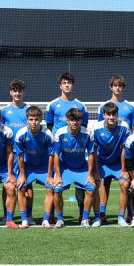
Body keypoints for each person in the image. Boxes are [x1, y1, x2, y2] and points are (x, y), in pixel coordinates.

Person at [45, 72, 89, 216]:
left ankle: (82, 212)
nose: (67, 85)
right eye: (64, 83)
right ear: (60, 85)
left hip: (75, 148)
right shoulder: (52, 104)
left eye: (69, 83)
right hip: (59, 147)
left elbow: (85, 126)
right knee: (55, 182)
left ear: (73, 85)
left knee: (81, 186)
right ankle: (52, 214)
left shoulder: (80, 105)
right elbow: (50, 125)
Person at [52, 108, 98, 228]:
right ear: (67, 120)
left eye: (77, 119)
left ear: (81, 120)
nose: (75, 122)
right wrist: (57, 175)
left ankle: (85, 218)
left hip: (81, 168)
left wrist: (90, 174)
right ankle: (60, 219)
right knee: (56, 189)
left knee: (91, 187)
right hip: (65, 168)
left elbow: (92, 154)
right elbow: (56, 155)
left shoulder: (88, 133)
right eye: (72, 119)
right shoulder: (60, 133)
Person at [13, 106, 56, 229]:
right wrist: (22, 175)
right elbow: (20, 156)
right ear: (27, 120)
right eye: (31, 119)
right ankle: (24, 220)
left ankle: (46, 219)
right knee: (20, 187)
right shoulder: (20, 134)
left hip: (43, 167)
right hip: (28, 167)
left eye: (36, 119)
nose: (34, 122)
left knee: (50, 188)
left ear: (41, 119)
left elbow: (51, 156)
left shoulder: (48, 134)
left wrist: (49, 176)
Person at [92, 102, 130, 226]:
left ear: (117, 115)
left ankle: (121, 217)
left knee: (124, 184)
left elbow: (125, 149)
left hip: (118, 163)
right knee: (98, 183)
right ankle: (100, 216)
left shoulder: (124, 126)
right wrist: (96, 171)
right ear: (104, 115)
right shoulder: (96, 129)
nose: (111, 117)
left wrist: (124, 169)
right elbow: (94, 151)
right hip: (102, 162)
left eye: (114, 114)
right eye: (108, 114)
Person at [1, 79, 30, 222]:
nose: (17, 93)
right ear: (10, 92)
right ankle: (6, 214)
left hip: (25, 153)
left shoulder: (28, 110)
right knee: (8, 183)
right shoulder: (4, 111)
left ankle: (28, 215)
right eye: (15, 90)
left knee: (27, 184)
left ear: (23, 92)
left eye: (20, 90)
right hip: (9, 153)